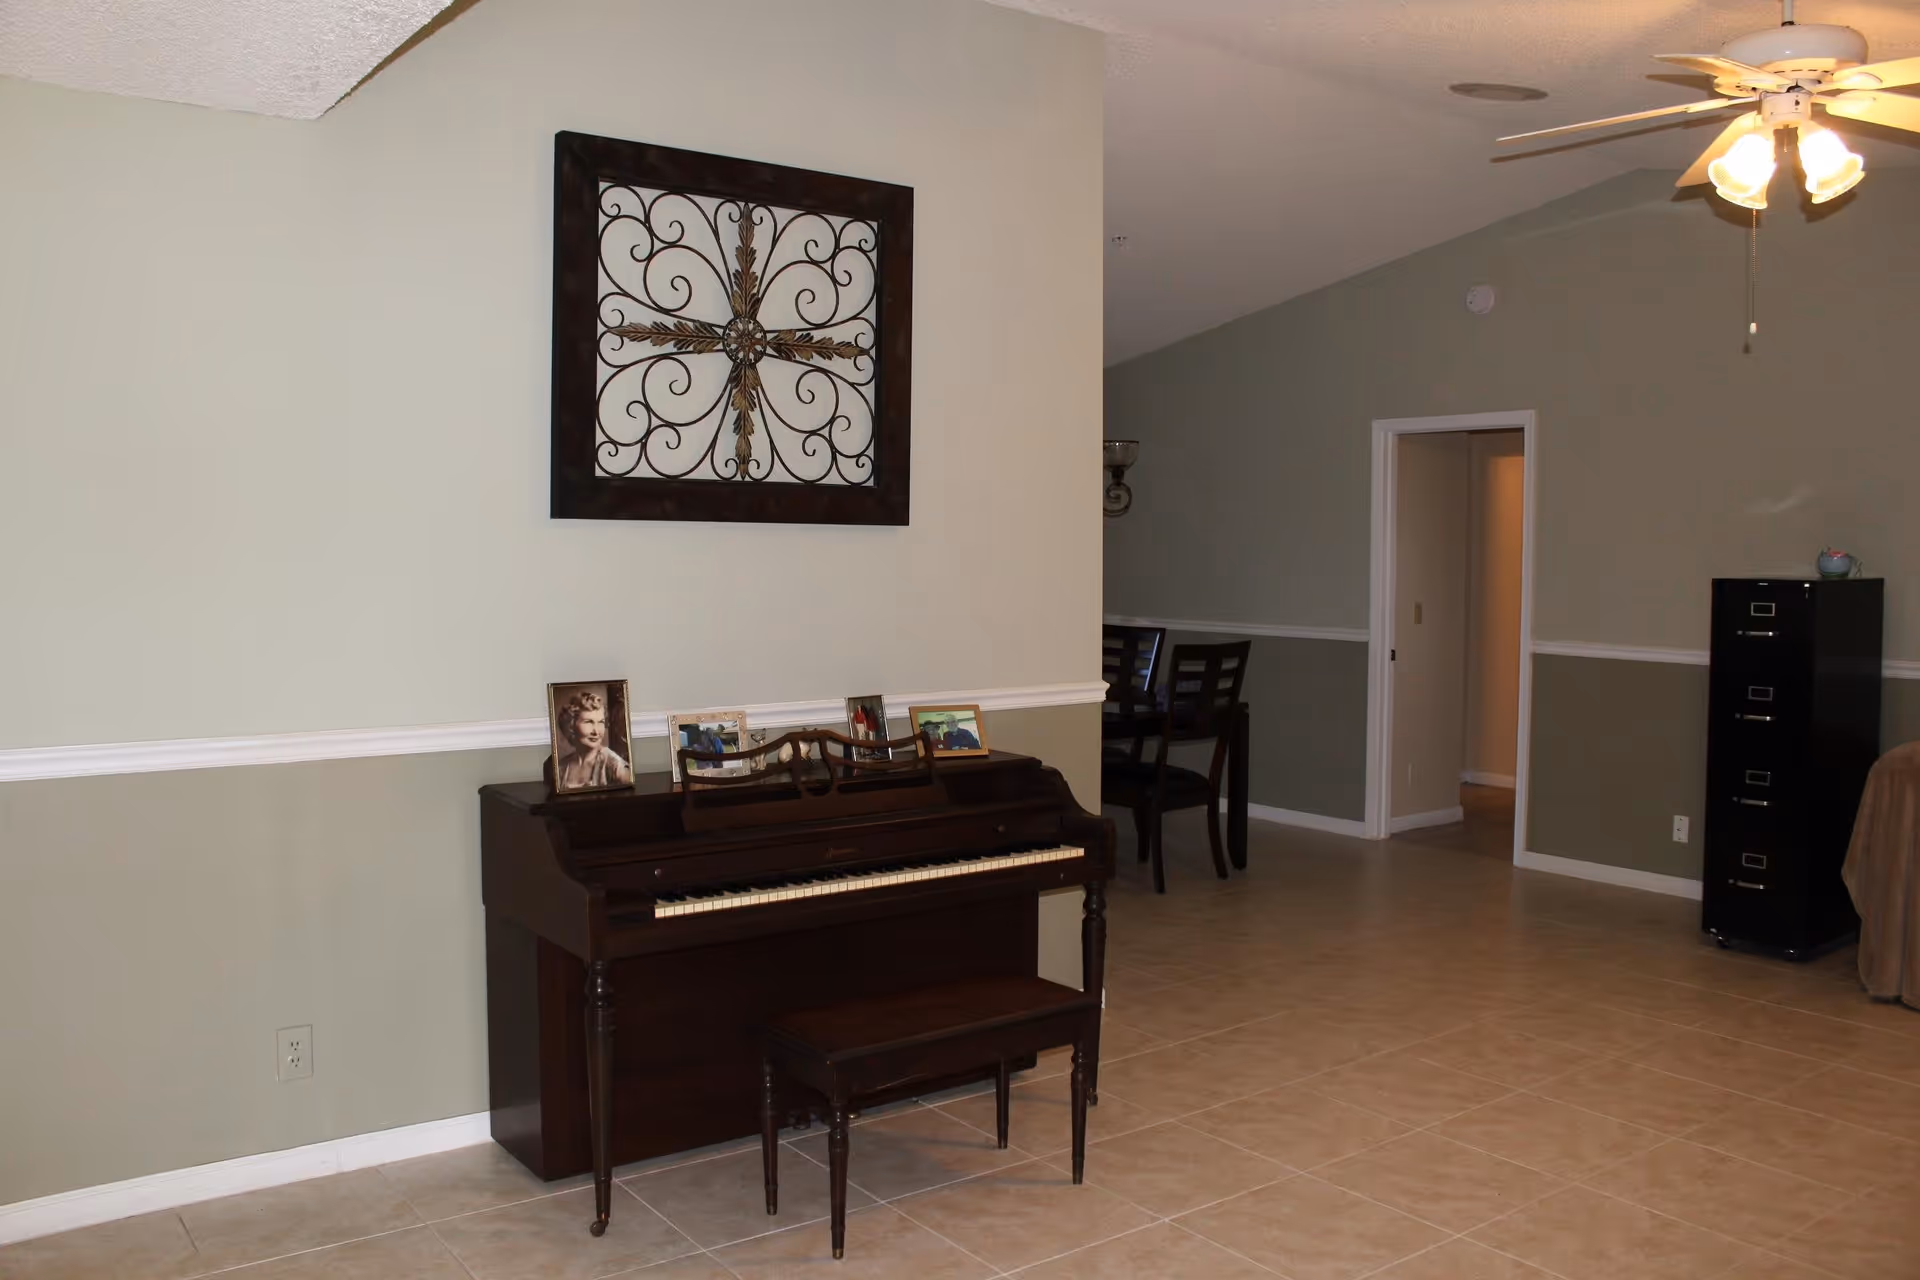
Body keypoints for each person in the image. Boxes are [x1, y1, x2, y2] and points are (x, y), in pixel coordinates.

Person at [555, 689, 632, 790]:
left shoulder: (614, 765)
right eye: (588, 722)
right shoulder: (561, 767)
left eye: (601, 722)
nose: (596, 731)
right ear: (571, 725)